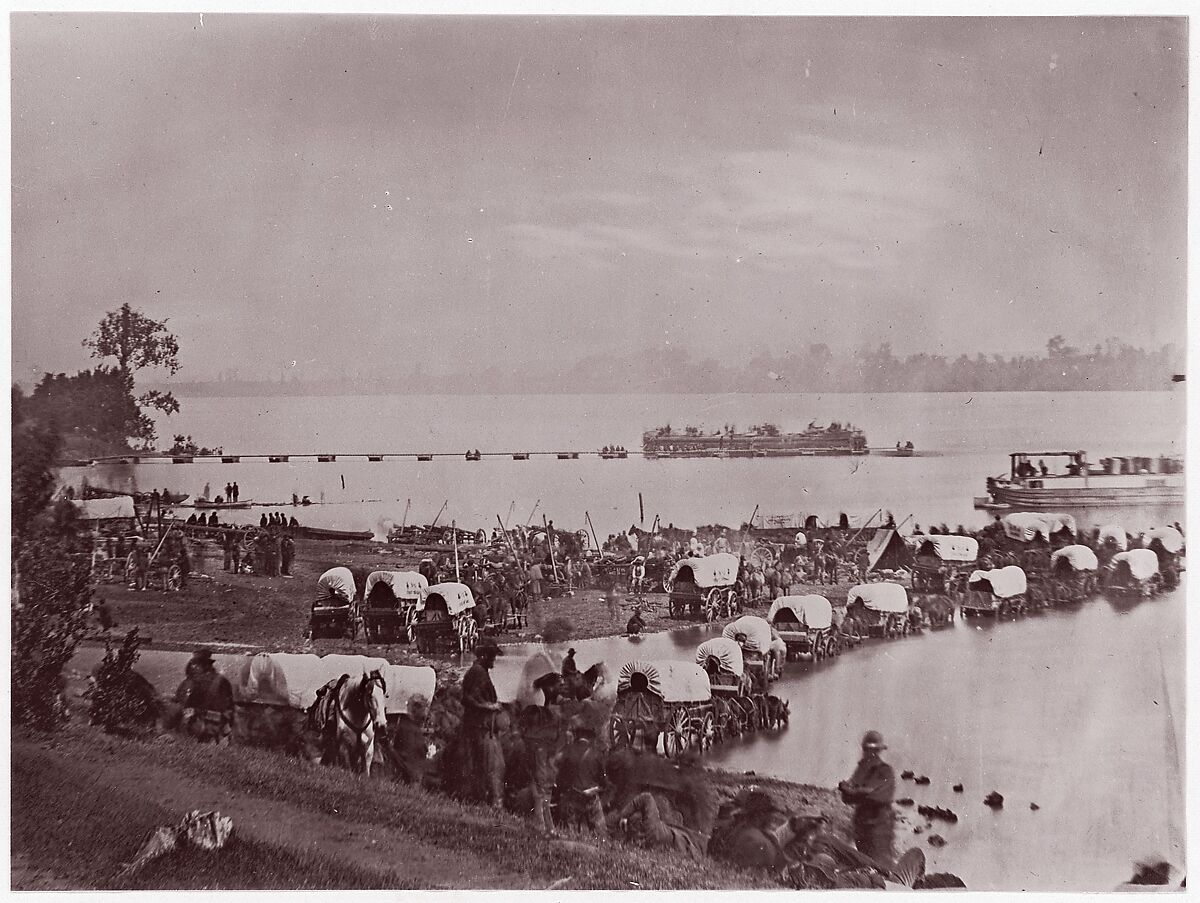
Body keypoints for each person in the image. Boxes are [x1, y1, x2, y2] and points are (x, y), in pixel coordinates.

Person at [838, 730, 897, 868]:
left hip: (879, 827)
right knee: (866, 863)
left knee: (880, 865)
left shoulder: (885, 770)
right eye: (867, 750)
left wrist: (852, 791)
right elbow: (847, 797)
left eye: (873, 750)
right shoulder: (862, 768)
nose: (869, 753)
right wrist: (851, 790)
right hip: (862, 827)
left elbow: (877, 797)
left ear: (878, 751)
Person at [460, 637, 505, 808]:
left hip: (481, 727)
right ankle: (492, 804)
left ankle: (484, 801)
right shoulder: (478, 672)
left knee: (486, 766)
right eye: (493, 656)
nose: (494, 659)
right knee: (492, 766)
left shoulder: (479, 671)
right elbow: (467, 699)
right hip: (479, 728)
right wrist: (490, 707)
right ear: (485, 655)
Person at [521, 673, 563, 835]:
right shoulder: (548, 709)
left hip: (543, 750)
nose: (562, 688)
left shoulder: (546, 707)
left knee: (544, 787)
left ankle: (547, 825)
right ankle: (541, 823)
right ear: (550, 688)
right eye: (559, 685)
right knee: (542, 787)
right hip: (541, 751)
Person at [554, 723, 608, 835]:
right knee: (600, 833)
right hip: (590, 798)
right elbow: (603, 782)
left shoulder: (568, 750)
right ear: (591, 737)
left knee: (571, 832)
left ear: (577, 734)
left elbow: (561, 777)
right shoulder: (597, 753)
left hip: (573, 796)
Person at [178, 649, 234, 744]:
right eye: (193, 665)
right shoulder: (189, 682)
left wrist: (198, 712)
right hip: (196, 728)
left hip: (213, 729)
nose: (194, 668)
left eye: (196, 665)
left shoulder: (220, 683)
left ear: (206, 666)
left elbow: (227, 714)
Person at [388, 694, 431, 787]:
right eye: (425, 708)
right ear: (416, 708)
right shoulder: (407, 727)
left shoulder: (413, 727)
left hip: (413, 775)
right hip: (409, 776)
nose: (426, 713)